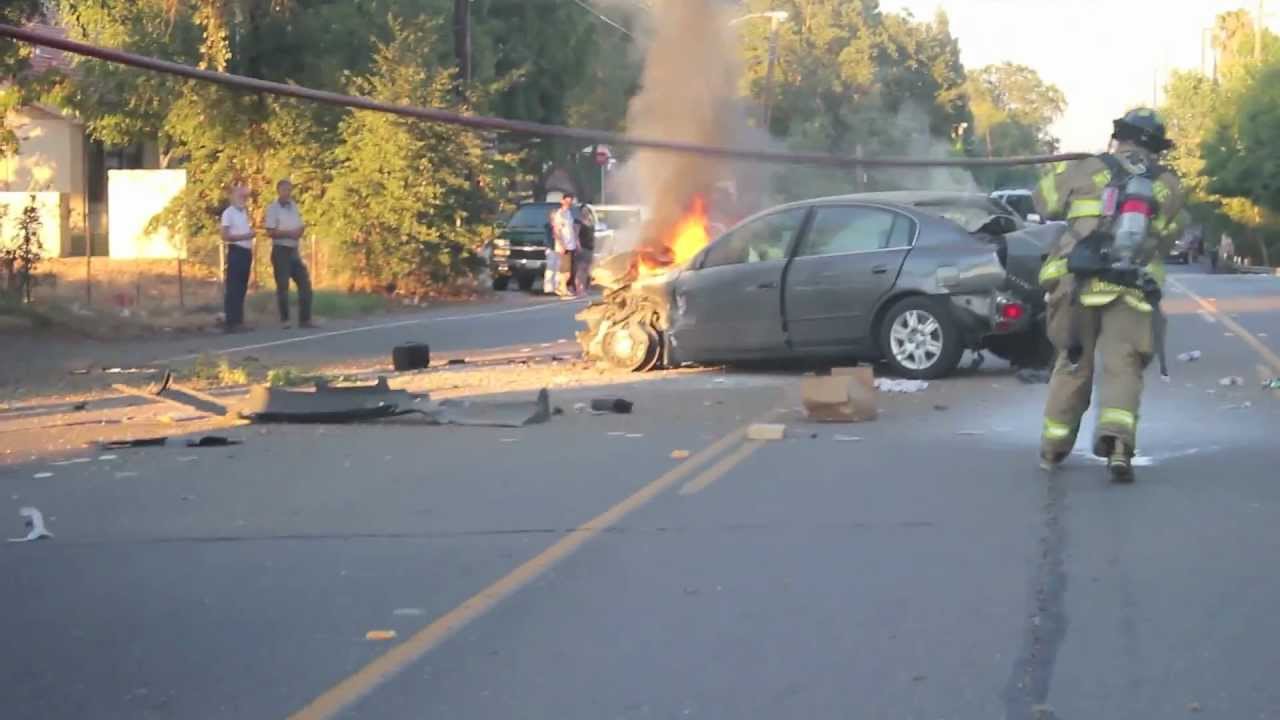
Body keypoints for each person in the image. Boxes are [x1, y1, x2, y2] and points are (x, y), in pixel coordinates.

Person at [1033, 108, 1186, 482]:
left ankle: (1053, 448)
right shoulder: (1168, 184)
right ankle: (1118, 446)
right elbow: (1170, 236)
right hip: (1131, 286)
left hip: (1078, 283)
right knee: (1123, 366)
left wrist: (1067, 174)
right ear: (1157, 147)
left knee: (1073, 362)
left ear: (1120, 137)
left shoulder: (1087, 167)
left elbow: (1042, 202)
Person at [264, 179, 315, 328]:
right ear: (278, 191)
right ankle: (285, 319)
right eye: (285, 190)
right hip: (281, 249)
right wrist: (288, 233)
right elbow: (270, 231)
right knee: (283, 286)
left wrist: (300, 231)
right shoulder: (273, 208)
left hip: (293, 249)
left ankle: (305, 319)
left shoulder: (294, 206)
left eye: (289, 190)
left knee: (304, 283)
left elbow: (300, 225)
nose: (287, 193)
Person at [220, 183, 255, 333]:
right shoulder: (228, 213)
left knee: (241, 287)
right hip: (236, 251)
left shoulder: (243, 213)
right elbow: (225, 235)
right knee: (233, 287)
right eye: (240, 196)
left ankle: (239, 320)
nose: (243, 199)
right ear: (233, 197)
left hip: (246, 252)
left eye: (245, 196)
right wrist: (246, 236)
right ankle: (231, 322)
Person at [551, 193, 579, 298]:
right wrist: (561, 244)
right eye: (566, 201)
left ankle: (563, 288)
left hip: (571, 245)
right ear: (562, 201)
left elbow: (571, 229)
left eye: (570, 202)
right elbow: (556, 231)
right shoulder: (560, 214)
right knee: (565, 270)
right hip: (564, 246)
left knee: (569, 270)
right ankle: (562, 289)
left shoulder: (569, 213)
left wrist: (576, 242)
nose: (568, 203)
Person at [573, 201, 597, 297]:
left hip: (590, 247)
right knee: (580, 268)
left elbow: (593, 235)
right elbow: (575, 235)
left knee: (587, 269)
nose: (585, 212)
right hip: (582, 247)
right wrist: (578, 246)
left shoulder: (590, 221)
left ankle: (583, 287)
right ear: (581, 212)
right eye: (583, 210)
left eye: (587, 210)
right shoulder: (578, 221)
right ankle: (578, 288)